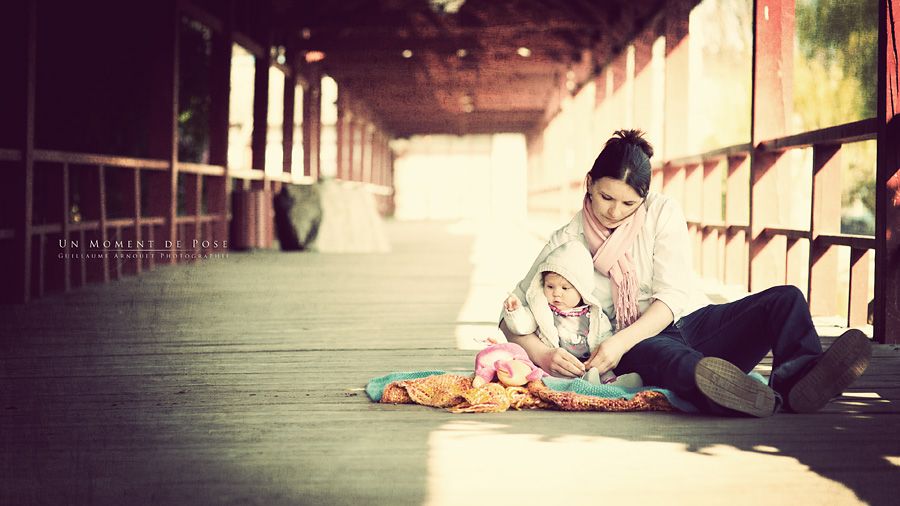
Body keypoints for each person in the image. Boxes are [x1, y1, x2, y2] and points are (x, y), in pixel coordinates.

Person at [500, 129, 872, 416]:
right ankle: (730, 393)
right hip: (633, 344)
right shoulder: (566, 242)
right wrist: (545, 357)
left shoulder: (662, 213)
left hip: (692, 320)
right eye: (606, 197)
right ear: (589, 185)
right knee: (672, 358)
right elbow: (511, 317)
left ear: (644, 198)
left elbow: (673, 295)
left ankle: (799, 379)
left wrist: (620, 342)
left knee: (785, 299)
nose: (614, 211)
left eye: (629, 203)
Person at [501, 240, 643, 388]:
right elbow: (522, 327)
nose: (556, 293)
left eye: (565, 288)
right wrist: (515, 311)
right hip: (557, 367)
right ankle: (587, 383)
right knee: (539, 374)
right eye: (550, 286)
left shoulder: (594, 314)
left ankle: (616, 383)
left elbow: (604, 336)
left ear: (581, 290)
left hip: (587, 364)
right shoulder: (542, 311)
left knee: (604, 372)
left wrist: (603, 356)